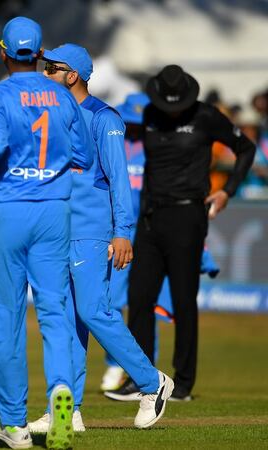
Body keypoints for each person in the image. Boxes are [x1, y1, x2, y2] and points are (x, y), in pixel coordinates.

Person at [0, 17, 93, 450]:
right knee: (55, 313)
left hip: (8, 211)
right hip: (54, 211)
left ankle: (14, 422)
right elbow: (82, 154)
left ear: (3, 53)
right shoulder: (62, 95)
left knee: (9, 318)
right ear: (38, 54)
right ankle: (61, 391)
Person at [27, 44, 173, 434]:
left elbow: (119, 180)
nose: (44, 74)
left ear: (71, 75)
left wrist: (123, 233)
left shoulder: (102, 117)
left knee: (94, 312)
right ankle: (67, 410)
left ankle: (151, 382)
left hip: (92, 231)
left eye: (50, 68)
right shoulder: (51, 116)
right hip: (58, 232)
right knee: (69, 319)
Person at [127, 65, 256, 402]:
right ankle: (142, 376)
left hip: (187, 215)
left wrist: (227, 190)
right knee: (139, 298)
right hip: (150, 215)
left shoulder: (207, 117)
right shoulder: (150, 113)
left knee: (184, 301)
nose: (171, 111)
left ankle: (183, 383)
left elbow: (245, 149)